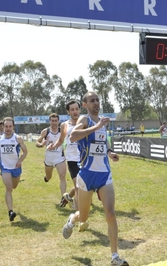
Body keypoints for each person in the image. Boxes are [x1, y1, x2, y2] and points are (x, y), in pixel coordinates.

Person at [62, 91, 129, 266]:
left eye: (98, 100)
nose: (96, 103)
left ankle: (115, 257)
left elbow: (102, 144)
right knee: (83, 217)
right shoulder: (85, 120)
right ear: (85, 104)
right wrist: (96, 126)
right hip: (86, 175)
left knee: (111, 214)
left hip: (104, 175)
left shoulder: (103, 122)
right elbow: (73, 136)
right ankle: (72, 219)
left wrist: (110, 152)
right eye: (92, 101)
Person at [52, 100, 82, 210]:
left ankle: (68, 196)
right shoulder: (65, 125)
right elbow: (60, 141)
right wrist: (53, 146)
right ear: (68, 112)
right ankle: (79, 215)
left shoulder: (84, 123)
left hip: (84, 158)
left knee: (83, 185)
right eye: (72, 110)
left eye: (77, 109)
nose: (75, 112)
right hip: (72, 160)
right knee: (79, 187)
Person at [36, 113, 69, 208]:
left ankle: (64, 199)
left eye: (56, 121)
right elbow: (37, 142)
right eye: (52, 121)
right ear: (49, 121)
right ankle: (46, 177)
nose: (54, 123)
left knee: (62, 177)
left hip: (60, 158)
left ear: (58, 121)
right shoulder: (45, 131)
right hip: (49, 159)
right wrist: (41, 144)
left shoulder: (62, 131)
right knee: (49, 177)